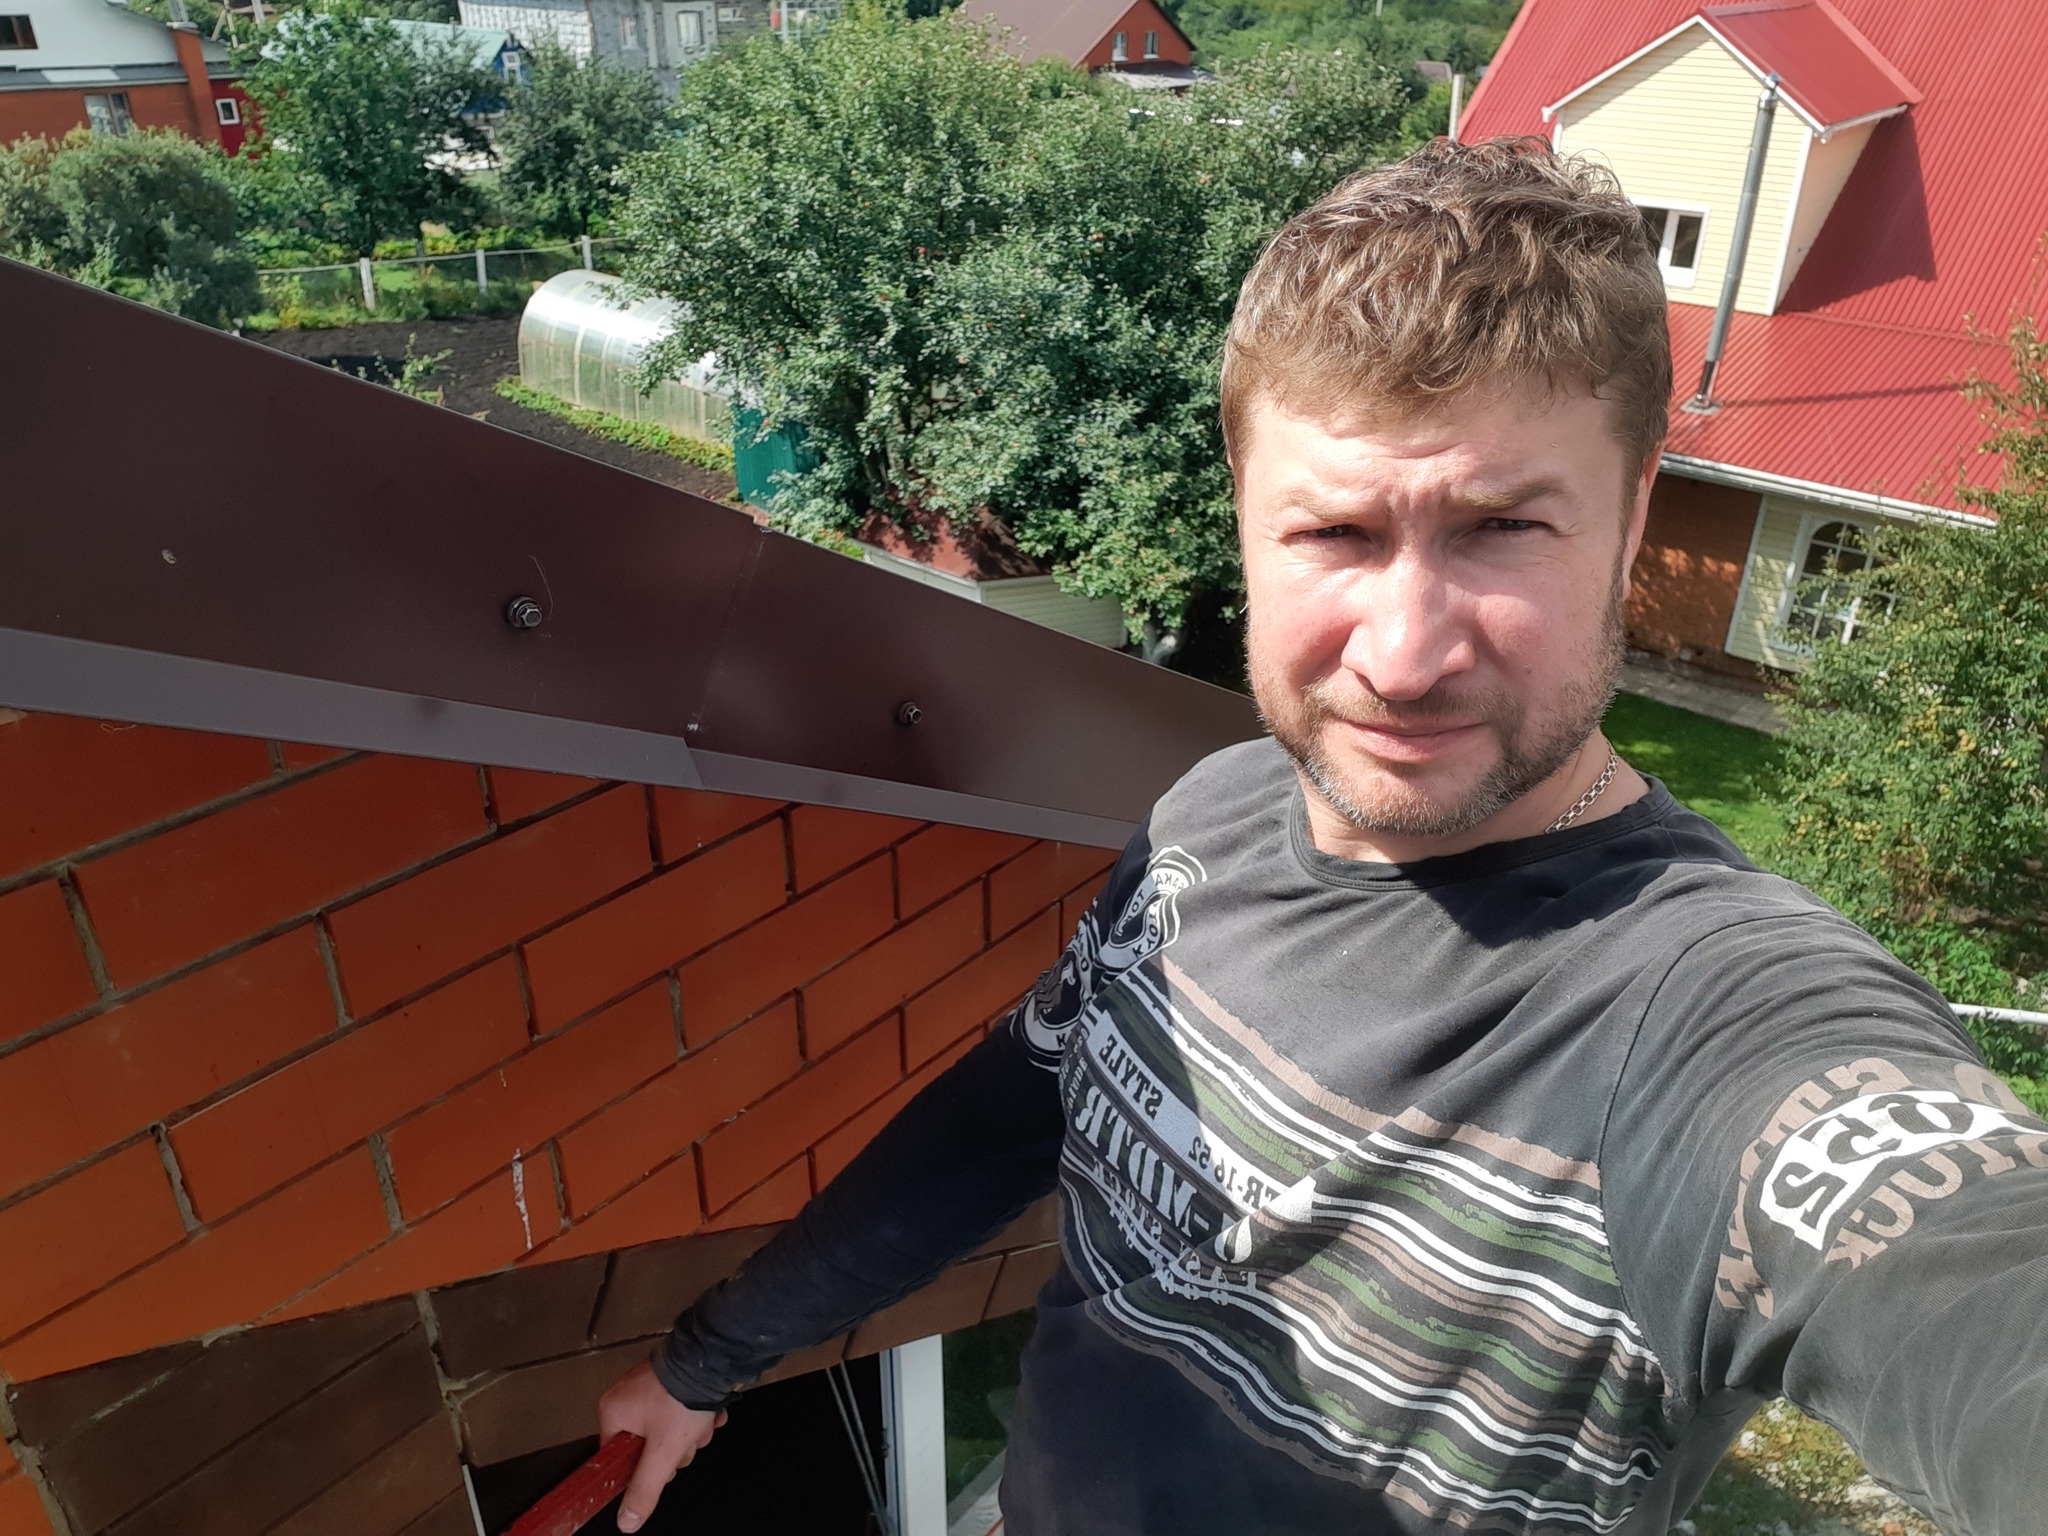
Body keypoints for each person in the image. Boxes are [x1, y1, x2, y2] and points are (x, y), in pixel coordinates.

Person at [597, 138, 2048, 1534]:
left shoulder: (1696, 1010)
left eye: (1501, 527)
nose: (1406, 657)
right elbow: (1009, 1115)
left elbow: (1967, 1284)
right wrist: (704, 1361)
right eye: (1336, 535)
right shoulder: (1208, 822)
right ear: (1243, 518)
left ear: (1630, 521)